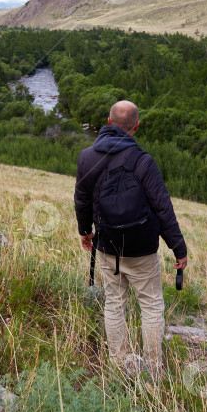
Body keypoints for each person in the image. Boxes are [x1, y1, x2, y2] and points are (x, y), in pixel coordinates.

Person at [74, 100, 188, 376]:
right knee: (150, 306)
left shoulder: (87, 157)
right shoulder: (143, 161)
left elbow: (81, 199)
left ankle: (118, 363)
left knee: (114, 302)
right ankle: (153, 368)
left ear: (109, 123)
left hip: (107, 245)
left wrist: (84, 231)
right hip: (142, 249)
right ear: (136, 127)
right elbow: (163, 209)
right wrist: (179, 248)